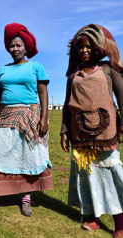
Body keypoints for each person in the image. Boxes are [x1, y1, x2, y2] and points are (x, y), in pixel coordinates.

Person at [0, 23, 53, 217]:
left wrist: (44, 118)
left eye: (18, 45)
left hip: (28, 115)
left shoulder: (36, 67)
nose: (15, 49)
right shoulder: (2, 70)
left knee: (27, 155)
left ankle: (26, 199)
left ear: (26, 47)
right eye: (11, 46)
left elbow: (43, 92)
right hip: (5, 115)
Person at [61, 24, 123, 237]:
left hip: (107, 132)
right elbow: (67, 105)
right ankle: (92, 217)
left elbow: (122, 97)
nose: (84, 51)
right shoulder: (73, 75)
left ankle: (120, 223)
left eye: (88, 47)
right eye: (80, 48)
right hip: (80, 132)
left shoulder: (108, 71)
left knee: (112, 174)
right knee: (87, 175)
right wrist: (64, 131)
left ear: (97, 48)